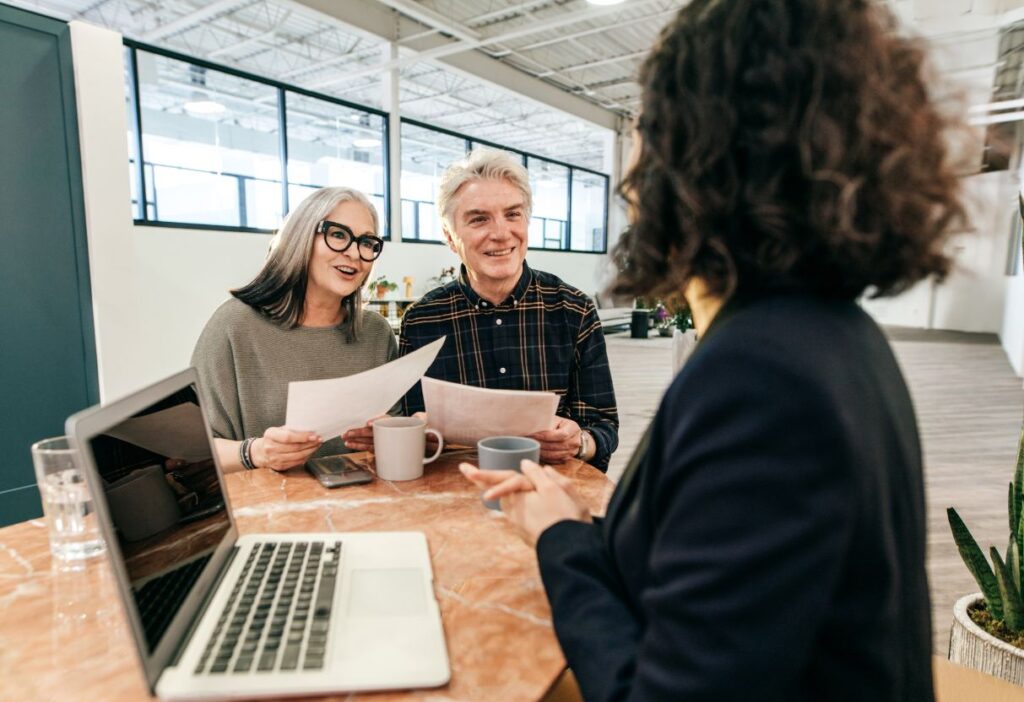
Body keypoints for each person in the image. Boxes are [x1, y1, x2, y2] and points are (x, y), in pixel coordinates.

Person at [460, 0, 965, 699]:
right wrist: (577, 528)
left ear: (695, 149)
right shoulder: (830, 333)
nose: (632, 166)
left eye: (645, 123)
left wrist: (557, 542)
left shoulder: (762, 378)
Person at [345, 148, 619, 471]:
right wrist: (416, 434)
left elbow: (604, 427)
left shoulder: (574, 311)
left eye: (513, 214)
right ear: (450, 236)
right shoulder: (422, 321)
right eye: (479, 219)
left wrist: (580, 442)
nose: (501, 233)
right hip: (457, 498)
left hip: (551, 497)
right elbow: (414, 427)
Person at [192, 187, 396, 473]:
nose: (354, 253)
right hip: (269, 511)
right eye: (338, 234)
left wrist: (387, 437)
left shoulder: (376, 333)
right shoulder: (234, 325)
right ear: (301, 237)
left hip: (366, 506)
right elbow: (191, 455)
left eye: (366, 242)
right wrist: (257, 452)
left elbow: (395, 425)